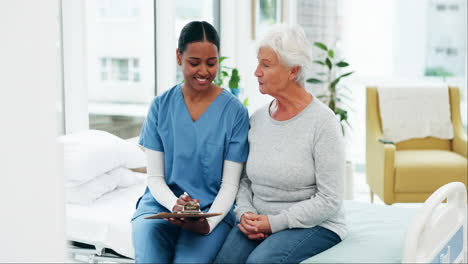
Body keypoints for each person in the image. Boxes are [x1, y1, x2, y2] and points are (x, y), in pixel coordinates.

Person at [215, 24, 347, 263]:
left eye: (266, 65)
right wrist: (245, 213)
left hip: (316, 224)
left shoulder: (323, 123)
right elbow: (245, 181)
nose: (257, 72)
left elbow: (330, 199)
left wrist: (274, 223)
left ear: (292, 71)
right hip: (260, 218)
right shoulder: (257, 119)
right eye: (258, 64)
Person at [131, 21, 249, 263]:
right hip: (162, 205)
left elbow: (229, 185)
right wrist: (177, 206)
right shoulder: (160, 106)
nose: (204, 71)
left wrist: (207, 223)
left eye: (211, 63)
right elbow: (154, 178)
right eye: (194, 63)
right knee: (149, 248)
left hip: (211, 210)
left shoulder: (234, 112)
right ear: (178, 57)